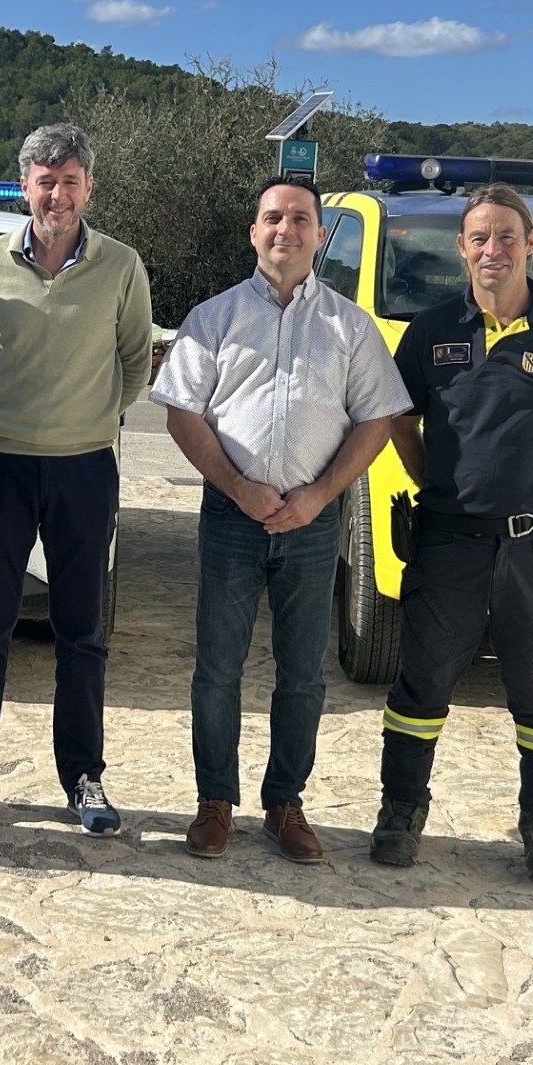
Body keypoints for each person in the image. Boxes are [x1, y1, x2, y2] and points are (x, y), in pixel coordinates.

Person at [154, 176, 407, 863]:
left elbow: (378, 417)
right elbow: (181, 412)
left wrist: (321, 494)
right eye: (272, 218)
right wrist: (238, 487)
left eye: (299, 219)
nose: (284, 230)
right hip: (232, 518)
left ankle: (285, 804)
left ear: (320, 235)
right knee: (218, 668)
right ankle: (215, 803)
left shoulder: (351, 329)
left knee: (301, 673)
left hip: (312, 522)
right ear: (253, 232)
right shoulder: (213, 318)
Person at [373, 183, 533, 884]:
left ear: (531, 243)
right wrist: (440, 490)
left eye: (507, 236)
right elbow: (399, 422)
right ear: (461, 248)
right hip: (448, 540)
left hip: (531, 547)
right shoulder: (431, 330)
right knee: (420, 689)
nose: (493, 250)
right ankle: (399, 813)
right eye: (479, 238)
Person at [0, 122, 154, 835]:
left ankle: (83, 776)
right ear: (24, 185)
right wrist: (7, 418)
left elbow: (135, 362)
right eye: (44, 180)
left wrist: (83, 422)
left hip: (84, 467)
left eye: (69, 181)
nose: (57, 194)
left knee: (81, 630)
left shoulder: (121, 266)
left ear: (88, 187)